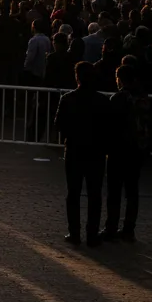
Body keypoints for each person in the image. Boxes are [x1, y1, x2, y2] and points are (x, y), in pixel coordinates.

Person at [54, 61, 110, 247]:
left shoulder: (68, 99)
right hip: (96, 151)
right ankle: (92, 234)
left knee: (73, 193)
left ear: (77, 77)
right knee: (95, 194)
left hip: (75, 150)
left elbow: (59, 125)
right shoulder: (102, 100)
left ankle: (74, 232)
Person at [104, 64, 148, 242]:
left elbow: (110, 124)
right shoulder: (143, 97)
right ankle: (129, 228)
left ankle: (111, 227)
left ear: (119, 79)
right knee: (132, 191)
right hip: (137, 149)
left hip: (118, 149)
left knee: (114, 191)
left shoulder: (119, 98)